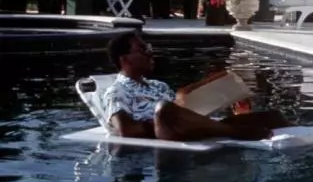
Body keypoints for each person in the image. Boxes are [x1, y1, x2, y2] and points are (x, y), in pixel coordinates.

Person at [102, 31, 291, 141]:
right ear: (124, 59)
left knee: (273, 117)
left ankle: (231, 129)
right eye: (143, 50)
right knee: (164, 109)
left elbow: (183, 108)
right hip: (169, 131)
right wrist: (157, 121)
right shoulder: (117, 91)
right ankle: (235, 132)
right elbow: (124, 130)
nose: (150, 53)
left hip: (196, 125)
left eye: (148, 48)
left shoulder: (158, 85)